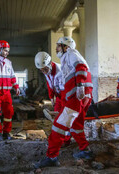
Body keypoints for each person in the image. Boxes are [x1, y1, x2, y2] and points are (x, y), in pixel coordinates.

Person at [34, 37, 93, 169]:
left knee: (57, 126)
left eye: (58, 46)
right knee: (76, 126)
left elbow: (81, 67)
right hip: (78, 97)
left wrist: (80, 85)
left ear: (66, 47)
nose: (56, 49)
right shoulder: (66, 59)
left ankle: (51, 157)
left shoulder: (71, 54)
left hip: (77, 97)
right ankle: (86, 150)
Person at [34, 51, 71, 145]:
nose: (44, 72)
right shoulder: (47, 70)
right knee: (57, 120)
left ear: (50, 63)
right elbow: (49, 84)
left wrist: (62, 109)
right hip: (58, 96)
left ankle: (66, 140)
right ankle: (59, 138)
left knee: (63, 119)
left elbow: (64, 92)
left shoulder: (60, 71)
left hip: (66, 96)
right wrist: (51, 97)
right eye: (41, 70)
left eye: (45, 69)